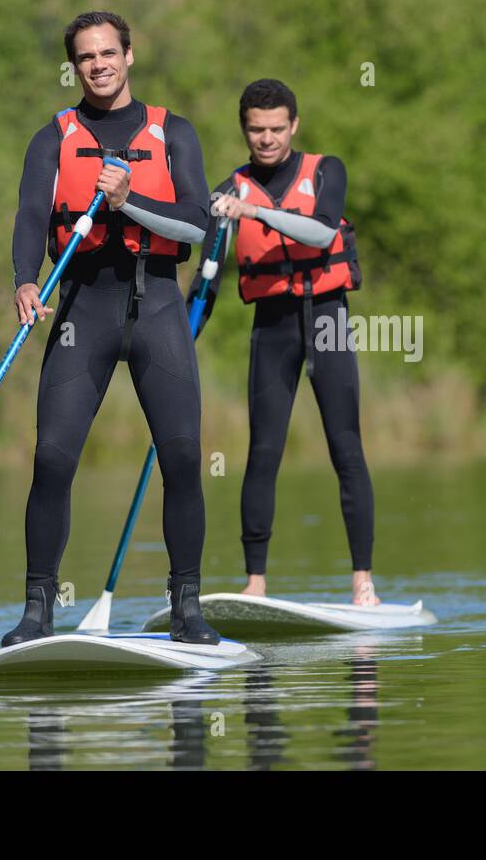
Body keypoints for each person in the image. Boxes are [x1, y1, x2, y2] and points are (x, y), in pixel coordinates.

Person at [4, 10, 219, 646]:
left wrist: (130, 202)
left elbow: (199, 226)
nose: (98, 65)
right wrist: (23, 278)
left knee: (182, 460)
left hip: (156, 307)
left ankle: (188, 610)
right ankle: (37, 612)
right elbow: (27, 215)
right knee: (50, 460)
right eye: (85, 57)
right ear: (74, 66)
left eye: (107, 53)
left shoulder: (173, 133)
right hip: (80, 311)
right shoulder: (54, 138)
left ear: (129, 55)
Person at [189, 78, 378, 604]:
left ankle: (362, 581)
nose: (267, 139)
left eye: (276, 128)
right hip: (272, 325)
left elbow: (321, 233)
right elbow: (206, 278)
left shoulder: (326, 171)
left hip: (327, 319)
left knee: (346, 448)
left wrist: (252, 213)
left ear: (294, 125)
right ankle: (255, 584)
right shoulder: (228, 190)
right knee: (263, 450)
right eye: (256, 130)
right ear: (244, 130)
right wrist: (182, 337)